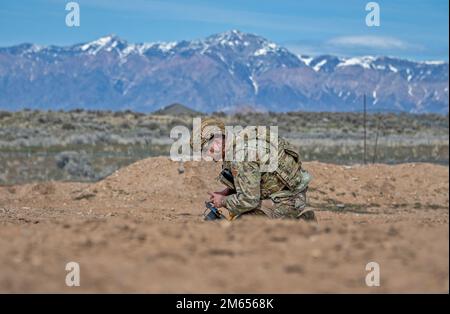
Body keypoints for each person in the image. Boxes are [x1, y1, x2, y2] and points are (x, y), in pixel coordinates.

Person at [195, 117, 316, 221]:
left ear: (216, 142)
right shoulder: (242, 141)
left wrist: (222, 201)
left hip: (286, 201)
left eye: (206, 150)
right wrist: (228, 192)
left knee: (243, 230)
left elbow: (249, 200)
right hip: (291, 193)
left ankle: (298, 222)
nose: (207, 156)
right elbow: (254, 177)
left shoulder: (240, 156)